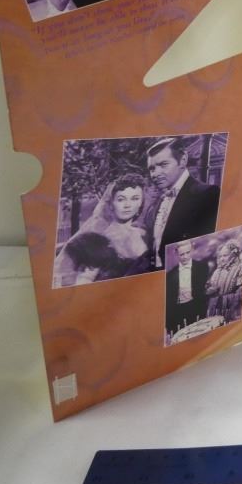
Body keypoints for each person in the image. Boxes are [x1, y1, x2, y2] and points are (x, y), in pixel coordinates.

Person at [52, 173, 153, 287]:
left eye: (135, 199)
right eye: (121, 199)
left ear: (141, 203)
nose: (127, 205)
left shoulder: (144, 234)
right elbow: (84, 282)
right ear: (111, 204)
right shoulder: (98, 239)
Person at [144, 138, 222, 269]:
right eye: (152, 168)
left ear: (183, 160)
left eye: (163, 165)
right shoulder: (159, 201)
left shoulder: (207, 195)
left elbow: (205, 249)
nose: (155, 174)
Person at [165, 241, 209, 336]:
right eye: (182, 254)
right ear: (176, 254)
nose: (185, 256)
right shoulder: (170, 275)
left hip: (196, 307)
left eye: (188, 252)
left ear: (192, 250)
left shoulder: (202, 267)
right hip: (178, 311)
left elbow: (204, 290)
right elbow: (169, 300)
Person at [205, 241, 242, 323]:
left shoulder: (241, 267)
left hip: (233, 308)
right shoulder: (217, 271)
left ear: (233, 255)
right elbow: (209, 286)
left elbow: (241, 289)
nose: (222, 259)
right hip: (216, 307)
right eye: (220, 256)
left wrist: (228, 299)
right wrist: (209, 290)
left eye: (225, 255)